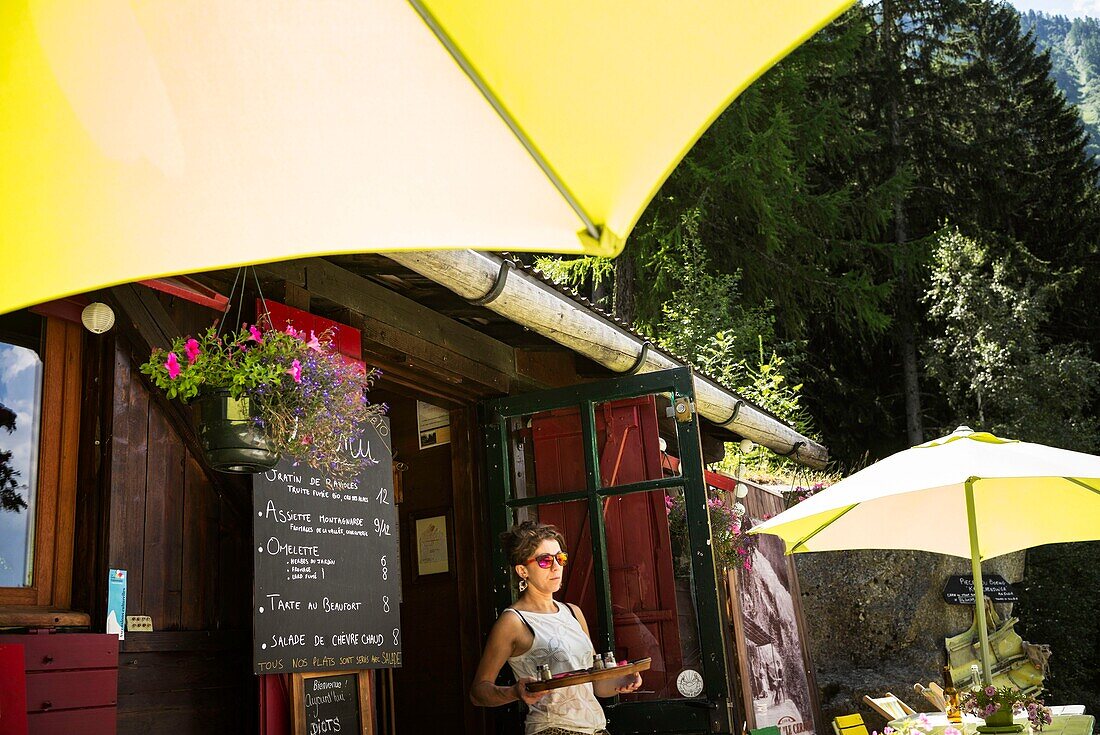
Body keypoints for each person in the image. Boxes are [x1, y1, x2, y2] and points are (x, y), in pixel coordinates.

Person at [470, 521, 642, 735]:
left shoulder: (573, 613)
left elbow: (595, 685)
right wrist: (514, 692)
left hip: (596, 729)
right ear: (523, 570)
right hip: (552, 729)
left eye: (560, 558)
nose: (556, 566)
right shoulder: (513, 621)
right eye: (545, 560)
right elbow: (478, 693)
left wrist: (623, 680)